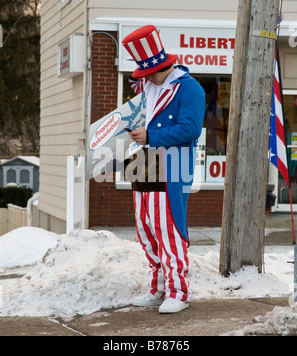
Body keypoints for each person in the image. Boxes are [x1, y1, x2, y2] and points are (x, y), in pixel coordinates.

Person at [122, 25, 206, 314]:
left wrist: (152, 136)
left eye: (147, 73)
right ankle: (158, 287)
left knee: (167, 229)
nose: (144, 79)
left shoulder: (189, 87)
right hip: (142, 164)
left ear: (159, 68)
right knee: (146, 229)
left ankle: (178, 291)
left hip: (172, 167)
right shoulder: (149, 87)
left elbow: (191, 129)